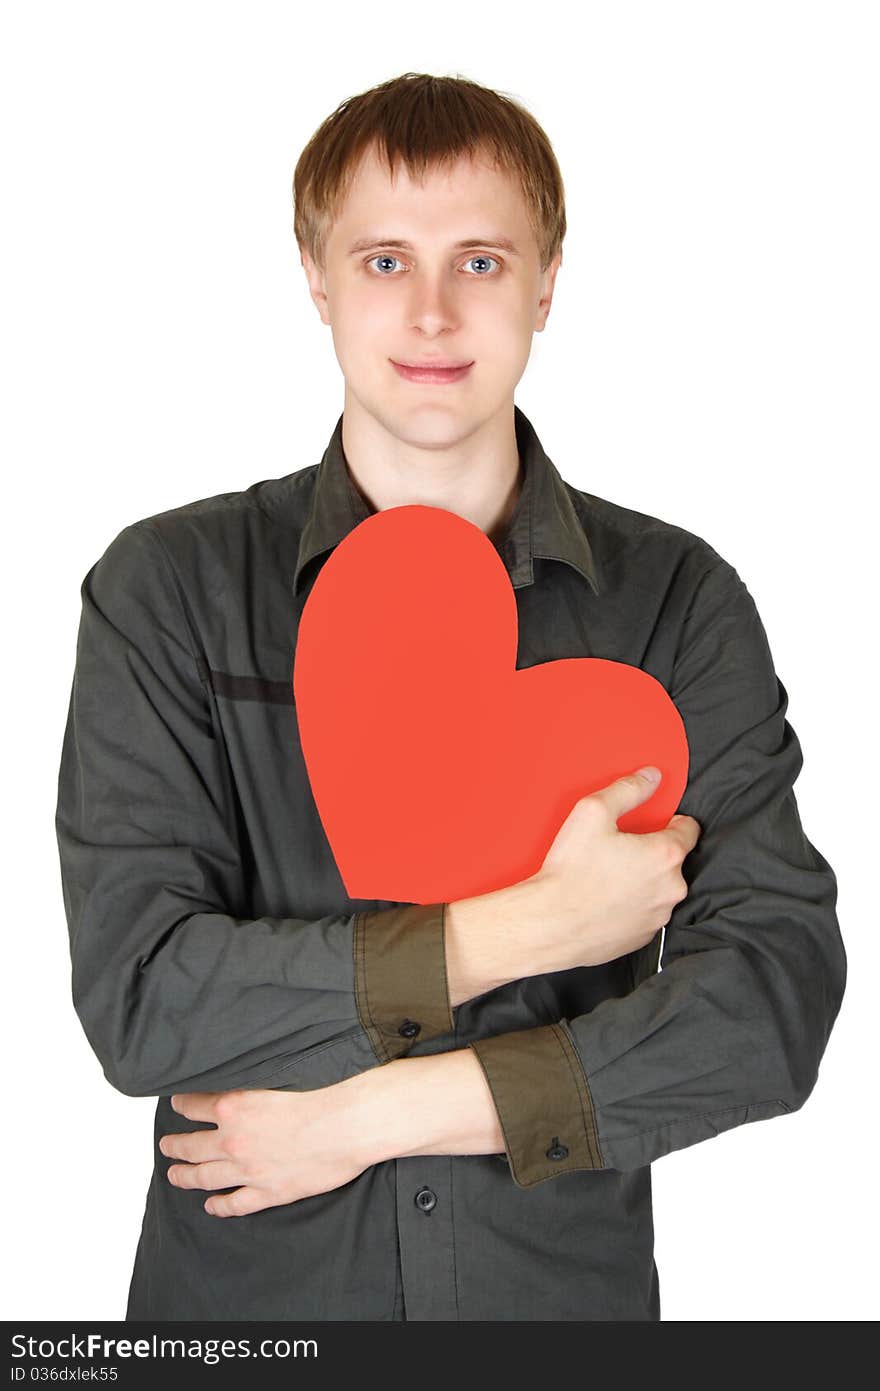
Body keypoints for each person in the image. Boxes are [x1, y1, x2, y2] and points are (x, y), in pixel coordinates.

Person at [55, 70, 846, 1322]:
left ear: (546, 283)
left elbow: (770, 1000)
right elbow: (146, 998)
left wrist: (379, 1116)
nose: (430, 311)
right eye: (382, 261)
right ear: (315, 277)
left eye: (479, 260)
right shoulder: (170, 589)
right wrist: (527, 930)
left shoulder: (676, 602)